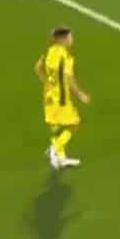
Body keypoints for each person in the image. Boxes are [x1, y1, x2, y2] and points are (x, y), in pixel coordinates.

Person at [36, 26, 91, 170]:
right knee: (74, 123)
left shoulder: (48, 51)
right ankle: (54, 148)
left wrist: (47, 83)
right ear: (63, 39)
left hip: (48, 97)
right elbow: (69, 79)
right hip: (61, 99)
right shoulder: (65, 56)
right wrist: (80, 94)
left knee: (57, 126)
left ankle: (60, 157)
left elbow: (37, 68)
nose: (72, 40)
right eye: (70, 37)